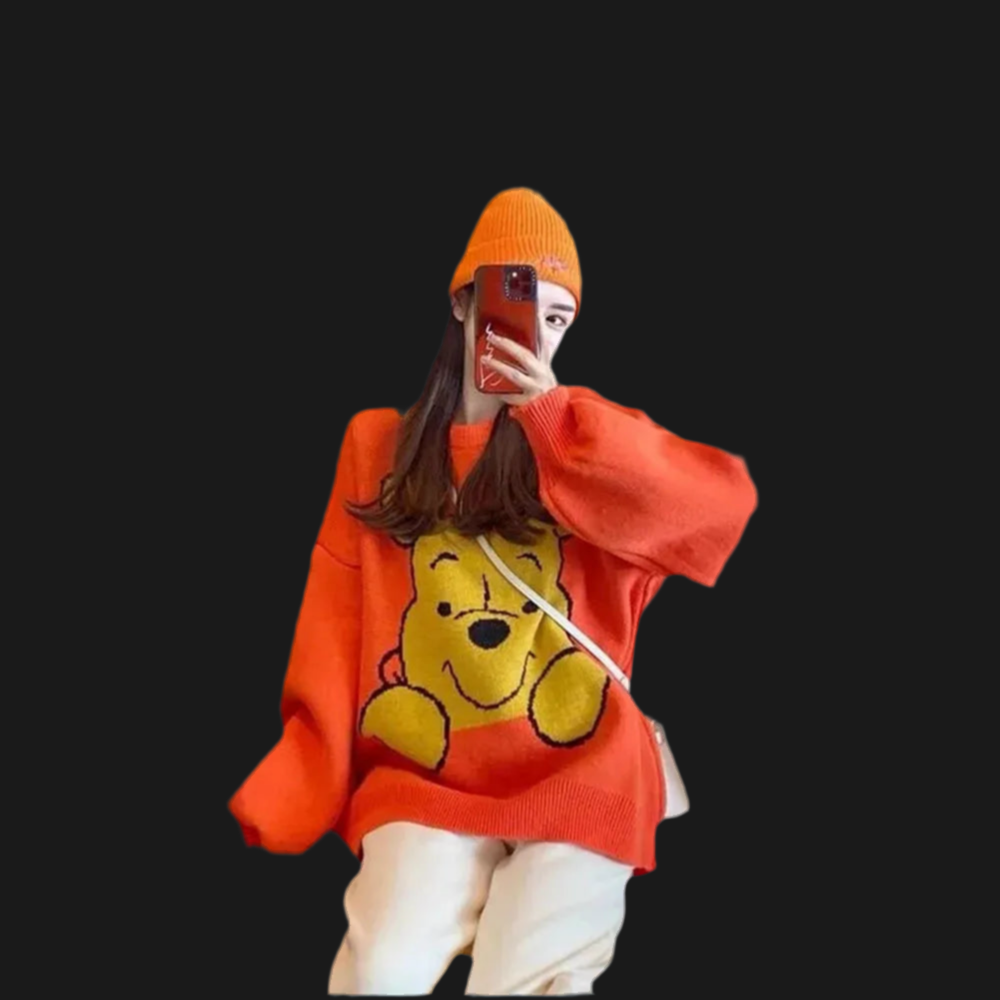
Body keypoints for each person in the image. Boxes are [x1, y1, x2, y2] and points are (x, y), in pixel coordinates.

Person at [228, 187, 759, 995]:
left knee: (525, 982)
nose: (533, 330)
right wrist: (307, 768)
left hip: (581, 770)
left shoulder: (589, 442)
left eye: (556, 317)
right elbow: (334, 623)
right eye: (517, 299)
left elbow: (721, 508)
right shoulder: (377, 446)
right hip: (428, 778)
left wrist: (551, 422)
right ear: (462, 299)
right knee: (378, 974)